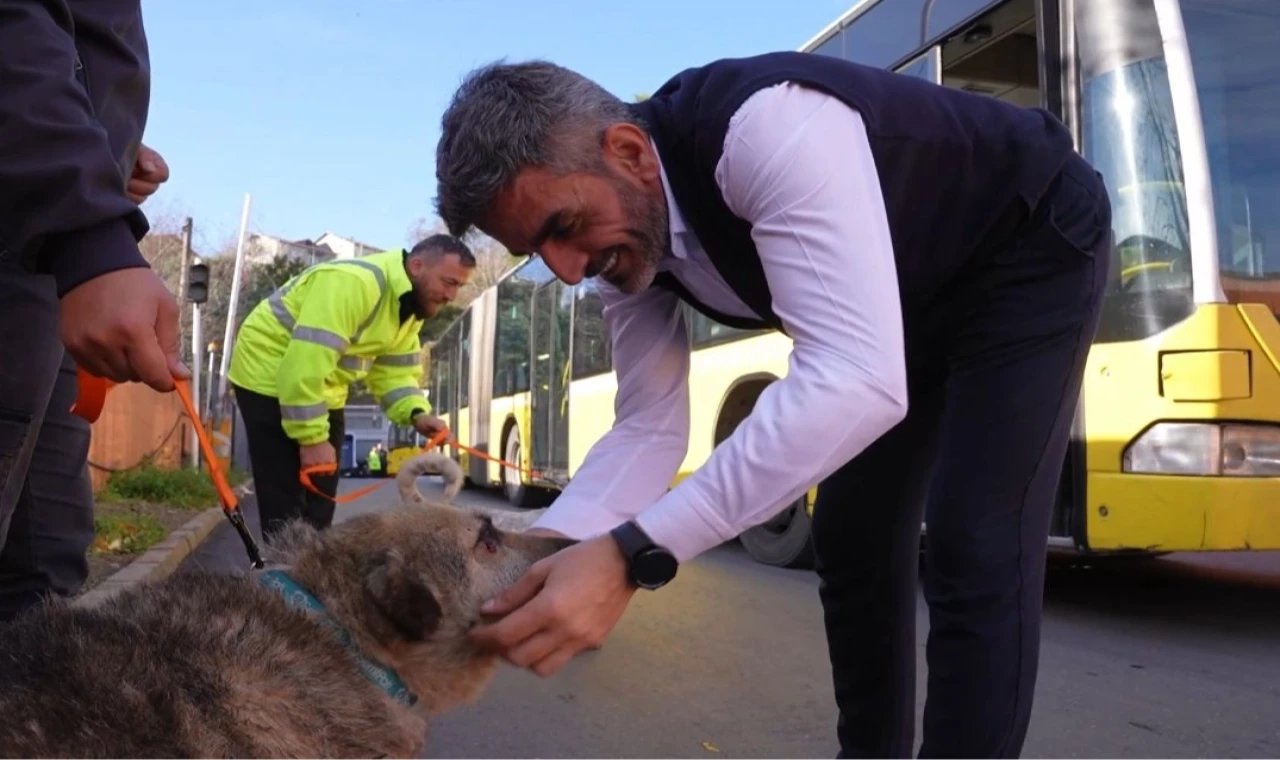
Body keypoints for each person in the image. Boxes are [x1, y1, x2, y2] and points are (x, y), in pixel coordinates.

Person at [433, 53, 1114, 760]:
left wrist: (633, 554)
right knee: (851, 535)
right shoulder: (623, 246)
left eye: (563, 226)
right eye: (537, 252)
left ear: (629, 152)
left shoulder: (765, 128)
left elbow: (853, 373)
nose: (568, 269)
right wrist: (549, 554)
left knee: (975, 541)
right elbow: (648, 426)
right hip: (904, 304)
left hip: (1025, 240)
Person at [0, 0, 181, 622]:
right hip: (46, 246)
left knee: (45, 570)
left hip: (45, 265)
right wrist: (87, 226)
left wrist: (105, 149)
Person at [225, 235, 474, 542]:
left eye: (458, 286)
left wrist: (416, 413)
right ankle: (283, 580)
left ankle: (311, 576)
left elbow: (394, 374)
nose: (452, 295)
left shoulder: (409, 309)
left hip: (322, 387)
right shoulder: (352, 285)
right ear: (417, 266)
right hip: (266, 374)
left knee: (320, 498)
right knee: (286, 497)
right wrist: (311, 438)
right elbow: (303, 367)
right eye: (448, 282)